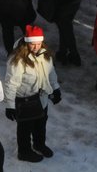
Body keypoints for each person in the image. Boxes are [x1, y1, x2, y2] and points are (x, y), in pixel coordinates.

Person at [4, 26, 62, 161]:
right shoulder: (17, 60)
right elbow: (11, 84)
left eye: (38, 43)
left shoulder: (45, 54)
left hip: (42, 98)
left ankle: (39, 144)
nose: (36, 47)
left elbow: (50, 72)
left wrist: (56, 88)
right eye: (32, 44)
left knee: (41, 124)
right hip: (26, 100)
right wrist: (10, 105)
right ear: (26, 42)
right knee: (25, 128)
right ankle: (24, 151)